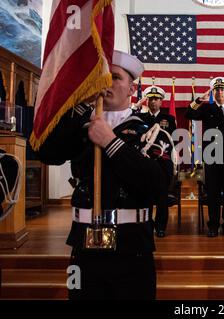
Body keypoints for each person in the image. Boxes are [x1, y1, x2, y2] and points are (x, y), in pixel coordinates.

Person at [38, 50, 174, 299]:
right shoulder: (80, 126)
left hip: (132, 246)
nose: (105, 83)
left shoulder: (152, 132)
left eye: (114, 77)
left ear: (131, 89)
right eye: (99, 77)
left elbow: (158, 186)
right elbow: (45, 153)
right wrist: (81, 106)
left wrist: (111, 142)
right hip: (82, 244)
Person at [185, 77, 224, 237]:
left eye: (222, 89)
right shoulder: (206, 109)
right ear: (213, 92)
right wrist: (198, 100)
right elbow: (188, 113)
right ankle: (213, 226)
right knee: (213, 193)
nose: (220, 92)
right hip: (211, 157)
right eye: (217, 89)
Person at [135, 85, 176, 237]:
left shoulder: (169, 119)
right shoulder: (140, 118)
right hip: (145, 162)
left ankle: (160, 227)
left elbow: (173, 140)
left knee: (161, 197)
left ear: (161, 101)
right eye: (151, 99)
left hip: (162, 163)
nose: (153, 102)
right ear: (147, 101)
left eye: (156, 99)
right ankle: (147, 225)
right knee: (145, 196)